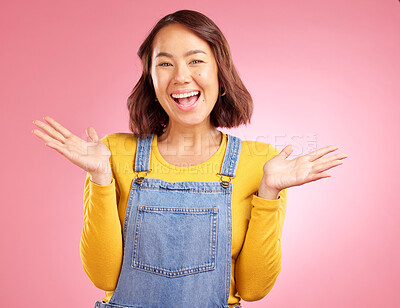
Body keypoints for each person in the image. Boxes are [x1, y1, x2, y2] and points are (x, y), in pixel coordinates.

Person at [32, 9, 348, 308]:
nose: (181, 77)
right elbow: (103, 276)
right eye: (165, 63)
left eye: (195, 60)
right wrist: (100, 177)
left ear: (220, 73)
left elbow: (253, 289)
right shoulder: (112, 153)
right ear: (151, 79)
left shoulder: (261, 163)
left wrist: (269, 191)